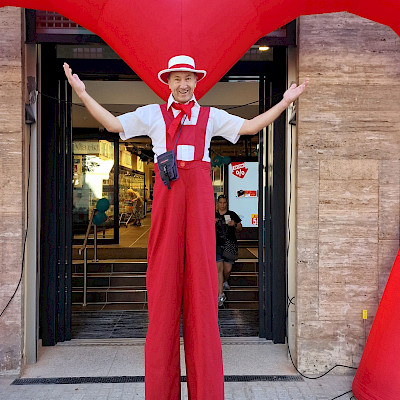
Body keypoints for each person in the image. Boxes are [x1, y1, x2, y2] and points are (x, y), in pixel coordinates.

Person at [63, 55, 308, 400]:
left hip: (198, 208)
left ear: (196, 81)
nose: (183, 84)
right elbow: (113, 125)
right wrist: (82, 94)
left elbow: (252, 127)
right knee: (162, 299)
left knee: (203, 300)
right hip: (167, 207)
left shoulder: (211, 117)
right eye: (177, 78)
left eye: (189, 78)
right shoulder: (152, 114)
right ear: (168, 81)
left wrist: (284, 102)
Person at [215, 194, 242, 306]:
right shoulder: (213, 214)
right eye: (220, 203)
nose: (222, 205)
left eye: (224, 203)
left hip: (229, 244)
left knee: (227, 269)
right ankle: (220, 295)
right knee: (219, 269)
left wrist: (234, 224)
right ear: (217, 203)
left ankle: (224, 281)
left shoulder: (232, 214)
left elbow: (240, 227)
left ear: (227, 203)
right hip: (216, 245)